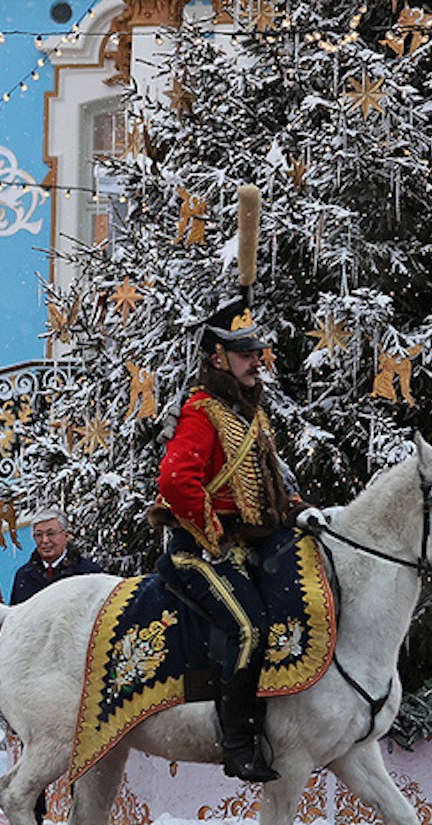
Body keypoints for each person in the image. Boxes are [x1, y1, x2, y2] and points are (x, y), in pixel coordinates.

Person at [154, 293, 298, 783]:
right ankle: (237, 744)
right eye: (245, 355)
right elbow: (174, 481)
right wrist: (211, 529)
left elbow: (271, 478)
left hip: (245, 550)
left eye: (257, 354)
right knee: (249, 629)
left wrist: (296, 509)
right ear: (218, 359)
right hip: (201, 552)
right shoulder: (202, 411)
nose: (256, 362)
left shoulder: (249, 414)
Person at [6, 509, 106, 606]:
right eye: (39, 535)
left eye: (51, 534)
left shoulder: (87, 573)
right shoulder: (24, 576)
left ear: (66, 536)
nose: (45, 540)